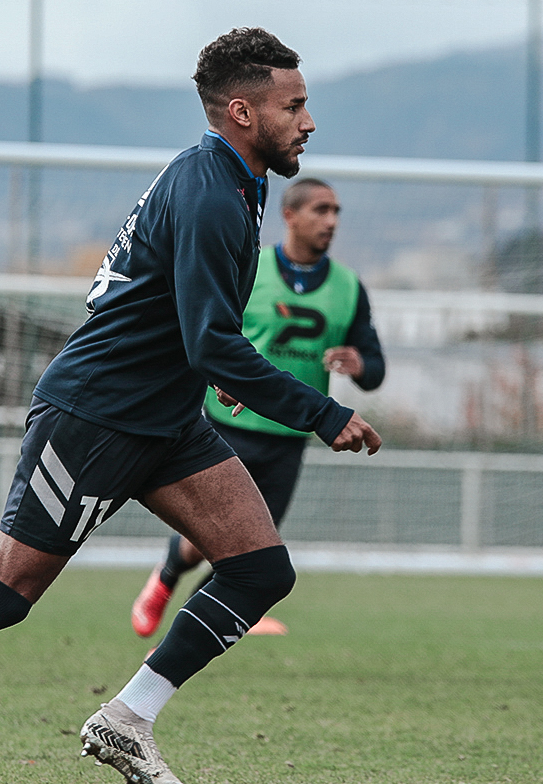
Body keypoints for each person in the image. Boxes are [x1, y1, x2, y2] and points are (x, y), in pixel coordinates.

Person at [0, 28, 381, 784]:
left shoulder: (239, 182)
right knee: (5, 596)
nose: (308, 121)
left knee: (262, 568)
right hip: (93, 416)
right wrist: (320, 413)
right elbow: (210, 339)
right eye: (294, 105)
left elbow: (192, 323)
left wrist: (216, 372)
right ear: (242, 111)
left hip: (163, 418)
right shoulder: (207, 189)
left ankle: (129, 716)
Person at [129, 177, 384, 638]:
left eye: (336, 212)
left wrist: (360, 363)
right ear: (290, 215)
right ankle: (165, 577)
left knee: (253, 548)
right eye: (320, 210)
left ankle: (182, 630)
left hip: (290, 436)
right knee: (213, 536)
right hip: (229, 425)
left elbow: (376, 368)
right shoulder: (253, 268)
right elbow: (208, 338)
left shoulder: (348, 287)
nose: (331, 221)